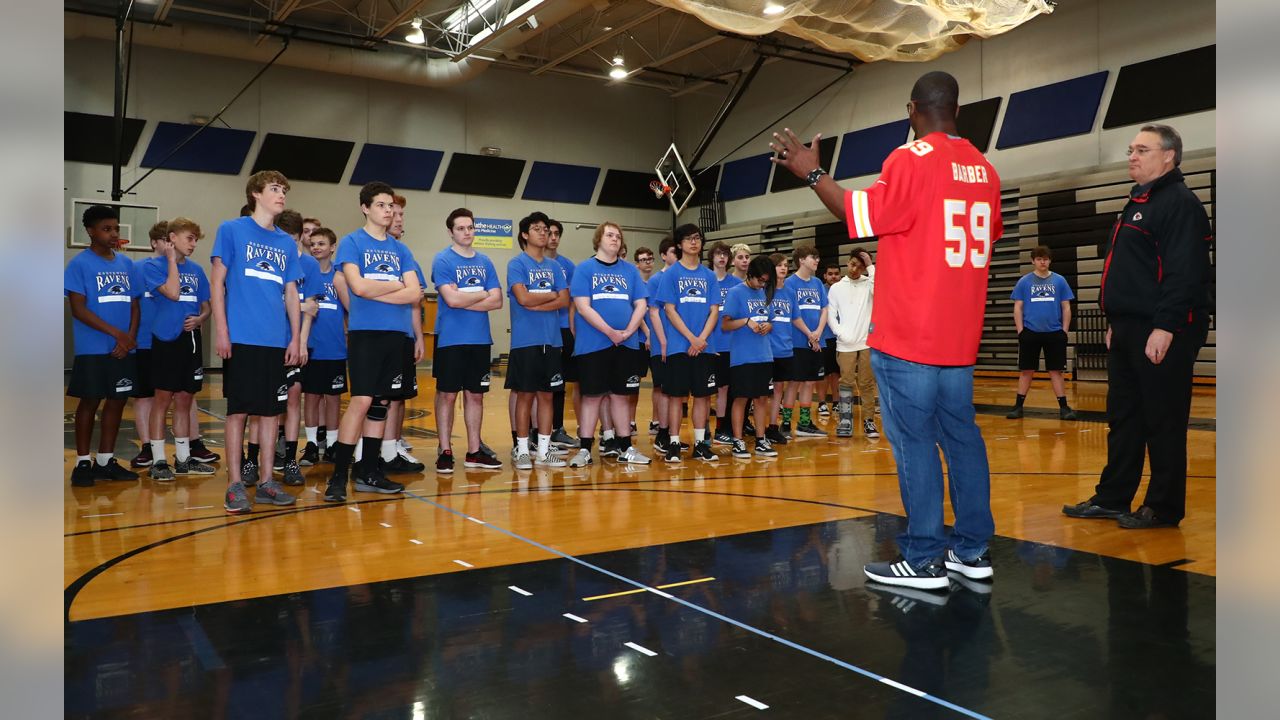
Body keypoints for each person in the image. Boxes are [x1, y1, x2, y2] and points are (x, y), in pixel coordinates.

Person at [772, 70, 1000, 589]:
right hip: (959, 340)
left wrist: (812, 172)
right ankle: (972, 551)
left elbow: (856, 213)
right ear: (956, 110)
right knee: (962, 441)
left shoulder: (909, 159)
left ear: (912, 110)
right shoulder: (986, 170)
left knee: (914, 443)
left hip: (909, 335)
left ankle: (922, 559)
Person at [1062, 124, 1212, 530]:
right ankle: (1113, 497)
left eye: (1142, 149)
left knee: (1162, 421)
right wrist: (1117, 322)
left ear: (1169, 156)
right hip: (1129, 329)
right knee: (1124, 418)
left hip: (1164, 330)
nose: (1132, 156)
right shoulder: (1138, 201)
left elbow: (1186, 273)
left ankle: (1163, 507)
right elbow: (1132, 272)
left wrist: (1165, 327)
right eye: (1131, 149)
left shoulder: (1178, 203)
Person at [210, 170, 305, 513]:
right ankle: (235, 484)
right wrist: (222, 330)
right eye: (275, 189)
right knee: (238, 413)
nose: (282, 194)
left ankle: (266, 482)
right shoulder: (231, 230)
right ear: (256, 194)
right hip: (242, 338)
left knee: (271, 414)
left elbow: (291, 293)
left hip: (275, 342)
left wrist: (295, 338)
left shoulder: (285, 242)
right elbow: (217, 283)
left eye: (284, 189)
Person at [322, 182, 421, 502]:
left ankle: (368, 472)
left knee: (380, 403)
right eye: (381, 205)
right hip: (367, 334)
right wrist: (394, 287)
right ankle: (338, 477)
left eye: (390, 205)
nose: (388, 210)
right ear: (365, 207)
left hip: (397, 335)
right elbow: (358, 288)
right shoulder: (352, 243)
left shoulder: (401, 249)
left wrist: (382, 287)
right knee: (362, 401)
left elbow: (415, 293)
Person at [65, 205, 142, 486]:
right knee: (90, 401)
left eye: (115, 228)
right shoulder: (79, 264)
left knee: (118, 401)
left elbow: (134, 305)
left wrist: (129, 337)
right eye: (106, 229)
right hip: (93, 347)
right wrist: (117, 334)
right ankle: (83, 462)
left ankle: (105, 460)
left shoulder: (127, 264)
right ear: (90, 231)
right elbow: (78, 309)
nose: (113, 234)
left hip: (123, 348)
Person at [566, 222, 651, 467]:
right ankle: (584, 450)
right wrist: (610, 332)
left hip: (626, 344)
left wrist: (627, 332)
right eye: (610, 235)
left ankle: (626, 447)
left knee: (620, 396)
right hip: (593, 344)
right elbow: (583, 307)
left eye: (618, 236)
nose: (615, 239)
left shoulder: (630, 271)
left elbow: (641, 305)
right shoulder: (584, 269)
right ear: (598, 240)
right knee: (591, 397)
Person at [430, 208, 504, 473]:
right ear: (451, 231)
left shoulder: (485, 262)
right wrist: (481, 294)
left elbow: (497, 301)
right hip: (450, 339)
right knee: (447, 395)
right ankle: (445, 450)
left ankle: (474, 452)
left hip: (480, 340)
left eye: (470, 227)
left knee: (476, 396)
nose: (466, 232)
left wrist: (464, 297)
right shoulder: (443, 260)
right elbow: (451, 300)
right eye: (461, 228)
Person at [142, 217, 215, 480]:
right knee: (162, 400)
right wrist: (172, 260)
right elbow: (172, 293)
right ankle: (159, 459)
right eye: (189, 238)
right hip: (165, 340)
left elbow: (206, 304)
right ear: (172, 238)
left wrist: (201, 318)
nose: (193, 244)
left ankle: (184, 459)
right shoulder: (153, 266)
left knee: (185, 399)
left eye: (196, 239)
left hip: (190, 341)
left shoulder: (197, 270)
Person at [505, 211, 570, 469]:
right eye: (537, 228)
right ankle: (522, 450)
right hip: (525, 342)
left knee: (547, 396)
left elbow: (564, 300)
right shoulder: (517, 264)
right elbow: (522, 298)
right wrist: (549, 297)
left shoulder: (555, 267)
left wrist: (537, 301)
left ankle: (544, 451)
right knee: (525, 396)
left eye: (545, 228)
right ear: (524, 234)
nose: (543, 232)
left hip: (552, 341)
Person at [655, 223, 720, 464]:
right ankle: (673, 444)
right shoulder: (671, 274)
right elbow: (670, 310)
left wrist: (701, 338)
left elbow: (714, 311)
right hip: (678, 346)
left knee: (703, 396)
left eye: (697, 238)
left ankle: (701, 444)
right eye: (689, 239)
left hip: (705, 346)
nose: (694, 242)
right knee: (676, 396)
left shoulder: (709, 275)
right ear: (679, 244)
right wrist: (692, 338)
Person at [378, 194, 427, 474]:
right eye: (394, 213)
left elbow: (416, 300)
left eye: (401, 215)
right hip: (380, 335)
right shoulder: (367, 249)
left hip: (404, 335)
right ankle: (368, 452)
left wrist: (418, 337)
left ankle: (391, 446)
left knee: (399, 396)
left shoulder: (405, 254)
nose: (398, 219)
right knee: (376, 397)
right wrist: (400, 290)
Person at [1007, 245, 1078, 420]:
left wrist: (1064, 331)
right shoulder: (1024, 281)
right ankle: (1018, 406)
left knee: (1056, 371)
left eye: (1045, 259)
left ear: (1050, 260)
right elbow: (1018, 307)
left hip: (1054, 333)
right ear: (1033, 261)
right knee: (1026, 371)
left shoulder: (1059, 281)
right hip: (1030, 332)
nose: (1042, 262)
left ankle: (1064, 407)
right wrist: (1020, 331)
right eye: (1039, 259)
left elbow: (1066, 307)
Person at [720, 255, 780, 459]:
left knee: (762, 398)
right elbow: (725, 324)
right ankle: (738, 441)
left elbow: (770, 319)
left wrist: (768, 325)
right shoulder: (736, 293)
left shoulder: (763, 293)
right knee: (741, 398)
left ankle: (761, 439)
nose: (762, 284)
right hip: (743, 356)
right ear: (750, 274)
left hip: (764, 355)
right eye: (760, 280)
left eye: (765, 281)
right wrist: (746, 321)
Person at [300, 227, 348, 466]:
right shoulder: (303, 274)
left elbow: (350, 310)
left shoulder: (339, 277)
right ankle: (310, 444)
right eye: (313, 243)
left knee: (333, 397)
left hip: (335, 347)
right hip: (310, 347)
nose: (316, 247)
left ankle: (331, 444)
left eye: (322, 243)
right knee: (311, 396)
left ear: (332, 247)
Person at [827, 249, 879, 439]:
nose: (854, 268)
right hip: (845, 343)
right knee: (846, 382)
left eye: (859, 265)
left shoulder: (869, 284)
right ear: (847, 263)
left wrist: (871, 267)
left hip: (866, 342)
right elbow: (831, 315)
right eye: (851, 263)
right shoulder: (837, 287)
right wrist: (840, 332)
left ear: (864, 267)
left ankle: (869, 421)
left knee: (866, 383)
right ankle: (845, 420)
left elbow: (880, 292)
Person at [127, 221, 165, 470]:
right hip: (143, 342)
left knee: (176, 397)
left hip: (169, 343)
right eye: (164, 239)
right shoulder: (137, 268)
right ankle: (147, 446)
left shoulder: (180, 270)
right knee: (143, 398)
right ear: (153, 242)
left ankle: (190, 445)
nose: (168, 244)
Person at [783, 244, 829, 438]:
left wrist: (818, 331)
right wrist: (809, 333)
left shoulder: (818, 283)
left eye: (817, 257)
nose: (817, 260)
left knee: (810, 382)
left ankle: (804, 423)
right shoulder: (789, 283)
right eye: (813, 257)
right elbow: (792, 314)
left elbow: (824, 309)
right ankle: (785, 423)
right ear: (801, 260)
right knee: (794, 382)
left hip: (817, 340)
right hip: (797, 341)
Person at [546, 219, 579, 450]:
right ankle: (536, 432)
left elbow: (572, 301)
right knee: (541, 385)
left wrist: (573, 329)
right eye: (550, 233)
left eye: (557, 233)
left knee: (560, 383)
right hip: (543, 332)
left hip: (565, 330)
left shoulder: (568, 265)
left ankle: (557, 429)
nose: (554, 237)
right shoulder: (533, 263)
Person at [707, 241, 742, 446]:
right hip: (710, 344)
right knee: (709, 391)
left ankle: (725, 427)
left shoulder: (735, 284)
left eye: (725, 255)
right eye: (718, 254)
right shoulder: (706, 280)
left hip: (732, 345)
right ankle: (709, 430)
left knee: (728, 388)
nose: (722, 258)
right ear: (712, 257)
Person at [648, 237, 678, 445]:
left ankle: (671, 434)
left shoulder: (682, 279)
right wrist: (663, 341)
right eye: (673, 252)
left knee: (674, 390)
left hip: (680, 344)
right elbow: (654, 313)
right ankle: (662, 431)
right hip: (663, 344)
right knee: (662, 388)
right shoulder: (656, 280)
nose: (677, 256)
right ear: (663, 256)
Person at [764, 253, 794, 445]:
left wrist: (811, 334)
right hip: (766, 350)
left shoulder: (789, 293)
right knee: (761, 393)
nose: (783, 268)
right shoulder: (765, 292)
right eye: (779, 265)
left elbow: (796, 318)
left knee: (778, 390)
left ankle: (773, 427)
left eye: (785, 265)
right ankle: (755, 428)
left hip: (785, 349)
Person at [817, 260, 844, 415]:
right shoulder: (821, 291)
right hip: (824, 337)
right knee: (823, 372)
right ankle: (821, 402)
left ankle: (835, 402)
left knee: (836, 373)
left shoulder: (843, 291)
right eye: (830, 274)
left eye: (836, 274)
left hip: (840, 338)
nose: (834, 277)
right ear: (825, 276)